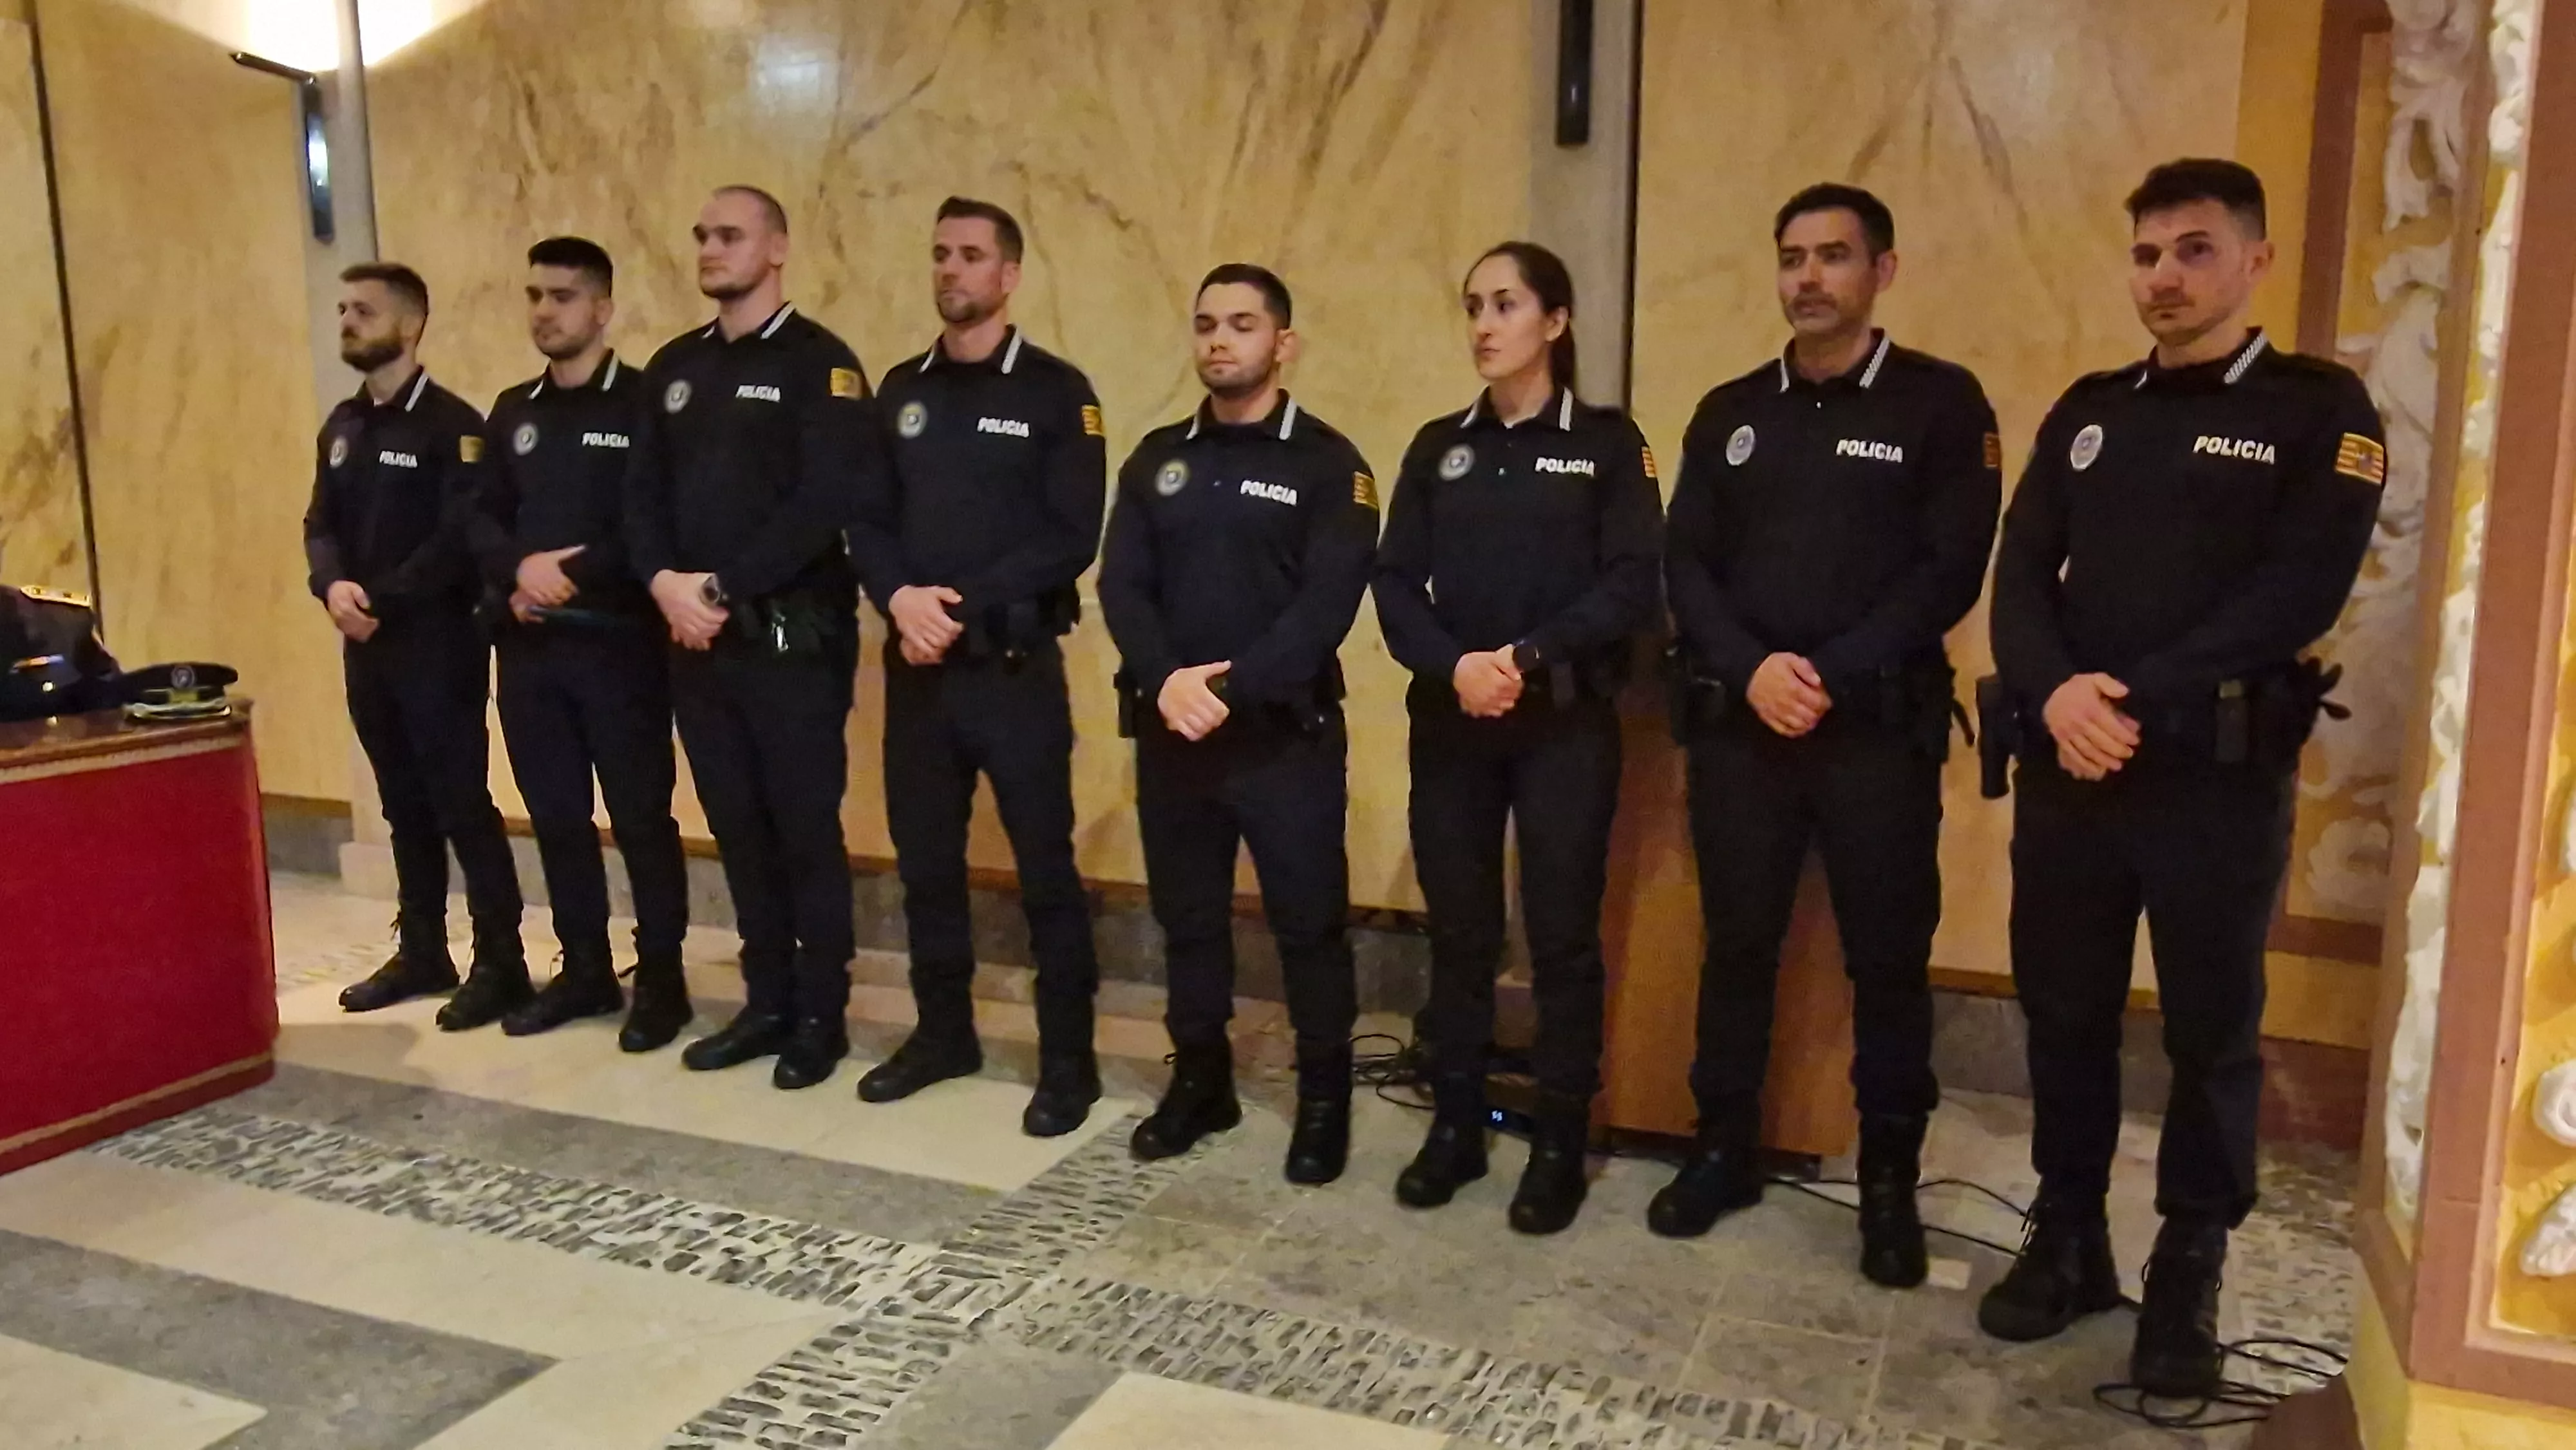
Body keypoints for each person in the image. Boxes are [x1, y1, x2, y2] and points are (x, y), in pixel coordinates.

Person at [1980, 159, 2384, 1397]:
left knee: (2211, 1030)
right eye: (2149, 253)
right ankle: (2070, 1233)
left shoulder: (2320, 409)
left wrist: (2127, 699)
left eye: (2195, 250)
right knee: (2065, 1010)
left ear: (2256, 261)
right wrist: (2054, 692)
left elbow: (2296, 595)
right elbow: (2022, 569)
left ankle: (2191, 1263)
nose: (2165, 276)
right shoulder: (2092, 407)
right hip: (2073, 770)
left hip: (2209, 777)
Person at [1655, 185, 2002, 1286]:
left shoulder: (1942, 405)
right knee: (1739, 946)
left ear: (1883, 271)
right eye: (1793, 257)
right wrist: (1754, 669)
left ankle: (1890, 1184)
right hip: (1744, 728)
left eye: (1835, 257)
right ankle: (1724, 1147)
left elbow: (1948, 568)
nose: (1810, 277)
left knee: (1887, 961)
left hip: (1874, 735)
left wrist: (1828, 673)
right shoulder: (1731, 409)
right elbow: (1688, 564)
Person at [1371, 241, 1663, 1234]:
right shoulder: (1437, 446)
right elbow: (1395, 583)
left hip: (1563, 724)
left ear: (1557, 321)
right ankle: (1454, 1124)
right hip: (1455, 720)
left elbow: (1631, 582)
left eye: (1505, 305)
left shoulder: (1609, 445)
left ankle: (1557, 1142)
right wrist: (1458, 667)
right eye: (1473, 307)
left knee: (1563, 939)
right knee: (1459, 934)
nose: (1484, 325)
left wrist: (1525, 658)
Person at [1099, 263, 1380, 1183]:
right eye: (1208, 324)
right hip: (1175, 735)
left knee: (1309, 925)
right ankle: (1203, 1083)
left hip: (1283, 739)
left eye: (1244, 325)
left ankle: (1325, 1101)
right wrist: (1164, 680)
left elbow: (1325, 605)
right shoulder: (1156, 458)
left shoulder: (1331, 464)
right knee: (1189, 922)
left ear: (1283, 344)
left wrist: (1227, 688)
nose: (1221, 341)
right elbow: (1122, 585)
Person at [852, 197, 1110, 1139]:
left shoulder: (1056, 391)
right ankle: (942, 1033)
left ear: (1008, 276)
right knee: (927, 866)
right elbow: (867, 519)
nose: (951, 271)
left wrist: (949, 605)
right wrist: (899, 598)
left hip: (1011, 668)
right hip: (918, 669)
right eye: (939, 255)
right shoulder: (899, 390)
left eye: (970, 257)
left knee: (1046, 869)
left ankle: (1069, 1061)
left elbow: (1070, 535)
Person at [623, 185, 872, 1090]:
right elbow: (639, 496)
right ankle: (766, 1001)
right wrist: (663, 584)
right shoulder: (675, 366)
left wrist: (722, 587)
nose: (709, 249)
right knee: (736, 827)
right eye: (701, 235)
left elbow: (826, 502)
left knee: (802, 827)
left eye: (729, 236)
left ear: (777, 251)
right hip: (695, 640)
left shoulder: (821, 364)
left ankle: (822, 1014)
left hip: (789, 640)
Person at [468, 237, 692, 1050]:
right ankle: (585, 966)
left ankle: (661, 976)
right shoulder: (513, 410)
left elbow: (652, 524)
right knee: (557, 817)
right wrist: (518, 572)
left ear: (602, 308)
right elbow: (479, 516)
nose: (544, 311)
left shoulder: (643, 405)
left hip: (619, 648)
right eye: (534, 295)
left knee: (641, 818)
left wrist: (576, 572)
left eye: (562, 296)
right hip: (529, 653)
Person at [305, 263, 527, 1026]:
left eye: (363, 310)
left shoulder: (454, 427)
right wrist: (332, 586)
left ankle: (503, 960)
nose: (348, 321)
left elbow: (457, 538)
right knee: (403, 805)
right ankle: (424, 947)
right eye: (343, 309)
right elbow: (320, 525)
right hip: (364, 646)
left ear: (411, 324)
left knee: (462, 801)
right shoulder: (343, 425)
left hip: (437, 643)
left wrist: (381, 598)